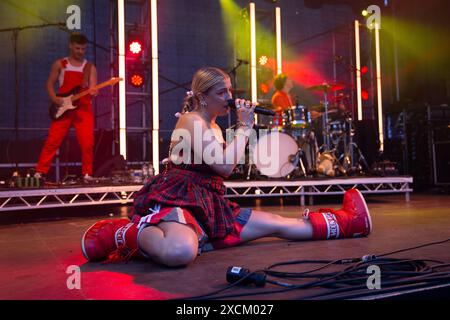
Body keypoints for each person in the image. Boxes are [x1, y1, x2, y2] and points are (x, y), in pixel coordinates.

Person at [81, 67, 372, 267]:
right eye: (222, 93)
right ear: (203, 97)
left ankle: (350, 222)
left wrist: (239, 129)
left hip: (209, 201)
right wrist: (245, 127)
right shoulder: (191, 119)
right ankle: (120, 232)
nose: (230, 99)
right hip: (179, 198)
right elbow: (224, 166)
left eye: (230, 91)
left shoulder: (216, 128)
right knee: (180, 252)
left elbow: (223, 169)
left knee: (278, 224)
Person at [34, 33, 97, 182]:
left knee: (87, 143)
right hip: (64, 107)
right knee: (53, 140)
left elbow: (93, 87)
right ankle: (40, 171)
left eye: (83, 49)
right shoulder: (60, 64)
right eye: (77, 48)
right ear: (70, 45)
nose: (80, 51)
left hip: (83, 108)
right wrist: (54, 98)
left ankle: (87, 173)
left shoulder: (89, 67)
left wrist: (94, 91)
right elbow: (50, 83)